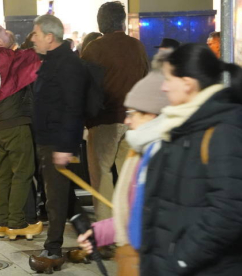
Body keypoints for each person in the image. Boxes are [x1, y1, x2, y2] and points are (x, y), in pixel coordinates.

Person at [141, 43, 242, 275]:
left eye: (168, 79)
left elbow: (226, 214)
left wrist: (178, 262)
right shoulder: (181, 126)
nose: (163, 87)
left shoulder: (223, 131)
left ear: (188, 84)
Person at [77, 50, 172, 276]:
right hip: (136, 261)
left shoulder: (169, 158)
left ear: (153, 115)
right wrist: (98, 233)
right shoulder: (138, 155)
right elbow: (131, 213)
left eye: (134, 112)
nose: (127, 119)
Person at [81, 1, 149, 229]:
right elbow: (145, 78)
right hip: (133, 120)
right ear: (122, 21)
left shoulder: (94, 49)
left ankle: (106, 232)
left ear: (101, 23)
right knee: (129, 177)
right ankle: (131, 229)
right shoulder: (137, 46)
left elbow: (85, 86)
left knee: (101, 177)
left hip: (104, 120)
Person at [28, 14, 87, 273]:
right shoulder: (52, 60)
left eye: (36, 34)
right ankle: (92, 239)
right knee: (64, 197)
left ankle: (53, 249)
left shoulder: (67, 64)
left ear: (50, 37)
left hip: (58, 143)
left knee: (55, 198)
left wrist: (64, 147)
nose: (32, 38)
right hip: (49, 140)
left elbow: (73, 108)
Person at [0, 23, 42, 240]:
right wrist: (38, 40)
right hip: (14, 123)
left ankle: (3, 221)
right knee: (23, 172)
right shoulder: (4, 57)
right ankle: (17, 223)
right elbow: (29, 58)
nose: (9, 33)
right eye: (5, 32)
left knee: (4, 175)